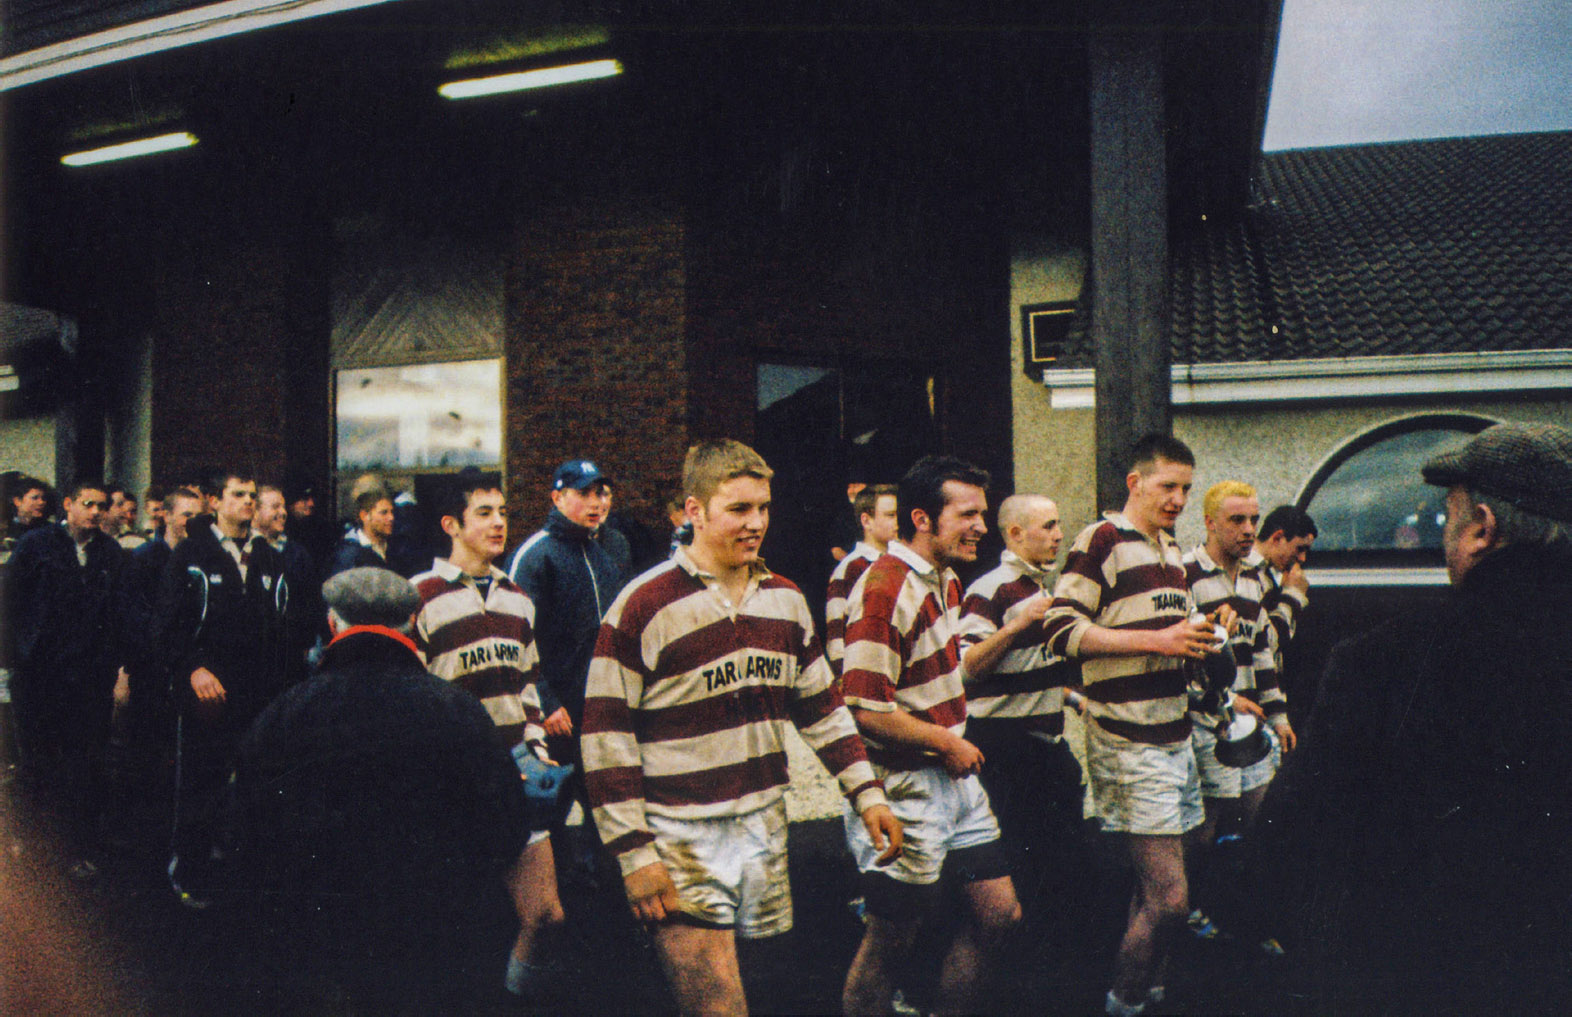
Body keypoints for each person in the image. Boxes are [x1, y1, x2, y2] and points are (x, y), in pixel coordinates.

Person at [1256, 421, 1572, 1015]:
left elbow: (1288, 851)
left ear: (1482, 527)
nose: (1447, 536)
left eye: (1449, 519)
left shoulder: (1384, 662)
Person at [582, 439, 899, 1017]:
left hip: (764, 827)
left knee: (763, 990)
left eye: (764, 508)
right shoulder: (643, 604)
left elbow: (823, 710)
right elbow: (605, 740)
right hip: (681, 834)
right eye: (738, 510)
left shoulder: (785, 599)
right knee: (715, 1004)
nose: (756, 524)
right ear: (694, 511)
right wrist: (635, 855)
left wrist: (867, 793)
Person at [231, 567, 529, 1013]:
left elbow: (243, 831)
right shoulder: (458, 713)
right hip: (430, 941)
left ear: (333, 625)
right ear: (412, 625)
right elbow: (507, 826)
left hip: (317, 947)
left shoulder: (286, 714)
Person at [1042, 434, 1233, 1017]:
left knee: (1159, 889)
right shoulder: (1102, 539)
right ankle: (1121, 1003)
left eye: (1185, 489)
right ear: (1135, 483)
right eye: (1167, 486)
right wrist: (1164, 638)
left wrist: (1202, 633)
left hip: (1175, 734)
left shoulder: (1170, 551)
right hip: (1127, 739)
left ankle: (1149, 991)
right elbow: (1058, 630)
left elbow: (1164, 639)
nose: (1177, 499)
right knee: (1171, 899)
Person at [840, 455, 1021, 1017]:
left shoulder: (942, 578)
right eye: (967, 515)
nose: (981, 527)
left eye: (982, 514)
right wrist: (949, 742)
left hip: (955, 783)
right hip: (906, 788)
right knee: (891, 942)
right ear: (921, 518)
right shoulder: (885, 588)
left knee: (1001, 914)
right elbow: (865, 707)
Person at [411, 469, 561, 1003]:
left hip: (517, 776)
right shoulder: (419, 598)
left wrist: (537, 750)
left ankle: (513, 1001)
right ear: (451, 524)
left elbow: (528, 689)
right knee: (460, 923)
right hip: (453, 786)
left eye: (502, 511)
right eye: (484, 513)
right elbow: (412, 702)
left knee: (545, 915)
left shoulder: (517, 598)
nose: (499, 522)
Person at [955, 494, 1087, 957]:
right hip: (1004, 749)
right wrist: (1015, 627)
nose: (1057, 536)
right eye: (1048, 526)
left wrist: (1070, 697)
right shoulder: (992, 588)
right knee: (1016, 863)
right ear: (1014, 534)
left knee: (1059, 860)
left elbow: (1031, 662)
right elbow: (966, 668)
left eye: (1058, 526)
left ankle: (1045, 961)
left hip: (1045, 746)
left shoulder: (1041, 586)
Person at [158, 468, 289, 905]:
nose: (248, 502)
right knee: (201, 781)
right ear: (215, 502)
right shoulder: (191, 554)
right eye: (238, 494)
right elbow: (169, 625)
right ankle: (189, 874)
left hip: (258, 692)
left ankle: (239, 870)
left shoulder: (268, 556)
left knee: (253, 783)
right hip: (206, 692)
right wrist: (193, 668)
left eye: (252, 494)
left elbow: (282, 624)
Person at [1181, 481, 1292, 946]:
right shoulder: (1183, 573)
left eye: (1254, 520)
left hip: (1252, 723)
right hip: (1207, 722)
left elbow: (1262, 650)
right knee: (1205, 831)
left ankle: (1249, 920)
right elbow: (1181, 658)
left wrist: (1279, 715)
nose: (1249, 531)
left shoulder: (1255, 579)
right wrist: (1221, 697)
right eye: (1237, 521)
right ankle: (1186, 908)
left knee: (1261, 821)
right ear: (1209, 522)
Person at [5, 479, 128, 878]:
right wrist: (18, 658)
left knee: (85, 763)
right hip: (39, 677)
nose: (96, 512)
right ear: (70, 505)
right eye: (88, 504)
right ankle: (26, 850)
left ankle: (77, 848)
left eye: (102, 505)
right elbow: (9, 603)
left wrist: (120, 669)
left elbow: (121, 615)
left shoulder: (111, 554)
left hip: (89, 678)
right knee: (37, 761)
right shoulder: (36, 546)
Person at [824, 483, 898, 677]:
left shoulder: (902, 565)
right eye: (890, 515)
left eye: (899, 514)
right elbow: (836, 635)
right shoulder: (850, 568)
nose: (898, 523)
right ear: (866, 521)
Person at [1252, 505, 1316, 720]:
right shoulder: (1249, 575)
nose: (1302, 558)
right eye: (1299, 548)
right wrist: (1292, 597)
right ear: (1277, 537)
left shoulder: (1268, 574)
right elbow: (1265, 642)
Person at [256, 484, 322, 687]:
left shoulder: (297, 554)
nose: (282, 513)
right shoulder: (245, 553)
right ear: (255, 511)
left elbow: (312, 603)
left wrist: (305, 643)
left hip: (290, 659)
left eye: (283, 507)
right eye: (274, 507)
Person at [324, 489, 394, 578]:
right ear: (364, 516)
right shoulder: (348, 555)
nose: (391, 517)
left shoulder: (394, 547)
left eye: (392, 512)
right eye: (384, 513)